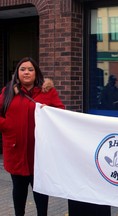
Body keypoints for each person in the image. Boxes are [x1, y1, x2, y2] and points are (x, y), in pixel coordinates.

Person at [0, 57, 65, 216]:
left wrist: (49, 112)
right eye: (22, 69)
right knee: (19, 191)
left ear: (36, 73)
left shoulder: (47, 91)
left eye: (30, 69)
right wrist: (8, 127)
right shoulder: (8, 91)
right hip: (16, 151)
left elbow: (61, 113)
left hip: (40, 152)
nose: (26, 72)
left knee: (41, 191)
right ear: (17, 73)